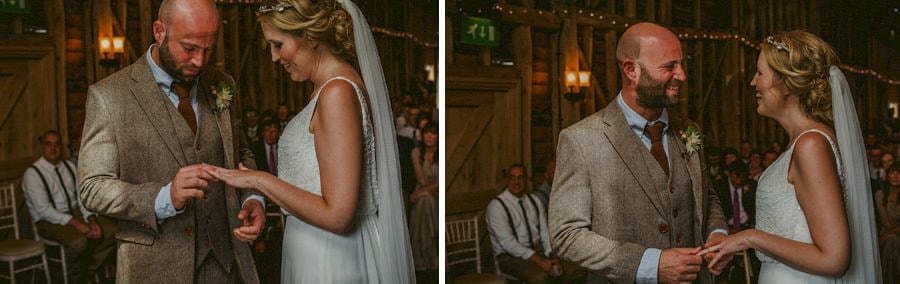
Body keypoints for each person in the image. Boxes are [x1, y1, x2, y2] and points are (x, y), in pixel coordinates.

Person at [205, 0, 415, 282]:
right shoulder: (327, 87)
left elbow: (338, 215)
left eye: (278, 44)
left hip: (332, 258)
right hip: (316, 247)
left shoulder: (337, 92)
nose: (274, 57)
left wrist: (259, 180)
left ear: (311, 37)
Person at [78, 0, 265, 282]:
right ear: (159, 31)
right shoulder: (109, 97)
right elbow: (92, 188)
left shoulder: (222, 83)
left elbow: (242, 153)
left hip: (226, 262)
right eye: (189, 48)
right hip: (154, 267)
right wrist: (164, 197)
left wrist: (253, 197)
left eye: (208, 49)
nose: (200, 61)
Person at [549, 22, 729, 283]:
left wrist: (717, 233)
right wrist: (650, 264)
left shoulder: (689, 130)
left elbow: (707, 196)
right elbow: (566, 236)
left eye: (681, 64)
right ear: (631, 70)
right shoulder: (580, 140)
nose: (681, 75)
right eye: (669, 67)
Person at [698, 30, 882, 283]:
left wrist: (749, 237)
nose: (753, 82)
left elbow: (834, 259)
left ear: (785, 83)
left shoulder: (811, 144)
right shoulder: (804, 140)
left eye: (760, 73)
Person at [23, 130, 116, 282]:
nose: (53, 148)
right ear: (42, 146)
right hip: (49, 221)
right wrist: (79, 225)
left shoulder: (70, 167)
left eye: (57, 144)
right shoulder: (32, 174)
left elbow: (82, 198)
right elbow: (44, 210)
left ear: (61, 147)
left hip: (76, 213)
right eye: (48, 144)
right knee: (79, 242)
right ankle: (76, 279)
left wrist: (91, 219)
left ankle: (87, 273)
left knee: (112, 231)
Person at [487, 164, 584, 283]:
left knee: (575, 269)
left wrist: (553, 255)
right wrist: (540, 261)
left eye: (520, 177)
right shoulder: (497, 206)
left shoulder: (534, 201)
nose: (516, 182)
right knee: (540, 277)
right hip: (510, 257)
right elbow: (508, 243)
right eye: (512, 177)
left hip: (538, 250)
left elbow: (545, 232)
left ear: (526, 180)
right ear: (507, 180)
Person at [408, 121, 438, 275]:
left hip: (437, 195)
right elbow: (422, 180)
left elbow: (440, 183)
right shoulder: (416, 153)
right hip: (423, 194)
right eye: (427, 132)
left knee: (426, 198)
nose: (430, 136)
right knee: (425, 200)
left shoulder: (442, 153)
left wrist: (420, 193)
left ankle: (430, 253)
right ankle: (424, 254)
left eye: (433, 133)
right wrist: (422, 192)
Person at [875, 164, 900, 282]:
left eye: (899, 173)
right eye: (892, 173)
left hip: (894, 234)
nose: (896, 176)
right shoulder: (880, 195)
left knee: (892, 240)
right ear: (888, 176)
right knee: (891, 241)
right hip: (885, 234)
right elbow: (885, 221)